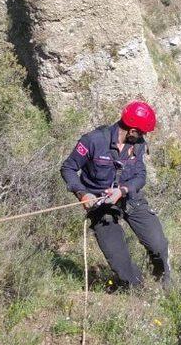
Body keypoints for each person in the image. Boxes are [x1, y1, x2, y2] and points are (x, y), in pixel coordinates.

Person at [60, 101, 170, 289]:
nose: (143, 137)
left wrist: (123, 190)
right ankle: (139, 289)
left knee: (158, 245)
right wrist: (83, 194)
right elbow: (68, 168)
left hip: (130, 198)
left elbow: (140, 175)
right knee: (121, 264)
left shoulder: (138, 145)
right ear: (132, 130)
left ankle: (162, 280)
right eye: (142, 132)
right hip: (101, 206)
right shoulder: (93, 141)